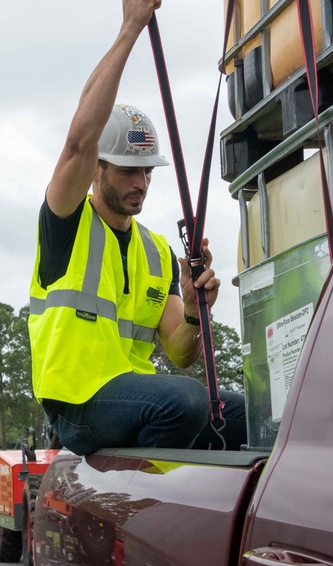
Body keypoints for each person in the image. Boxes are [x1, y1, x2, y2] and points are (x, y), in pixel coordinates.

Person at [28, 0, 246, 454]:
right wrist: (131, 29)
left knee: (248, 412)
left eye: (147, 171)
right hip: (78, 403)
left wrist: (193, 309)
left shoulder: (158, 250)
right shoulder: (67, 221)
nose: (141, 182)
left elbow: (182, 353)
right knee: (184, 402)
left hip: (133, 396)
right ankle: (145, 509)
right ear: (96, 169)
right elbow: (78, 141)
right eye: (129, 170)